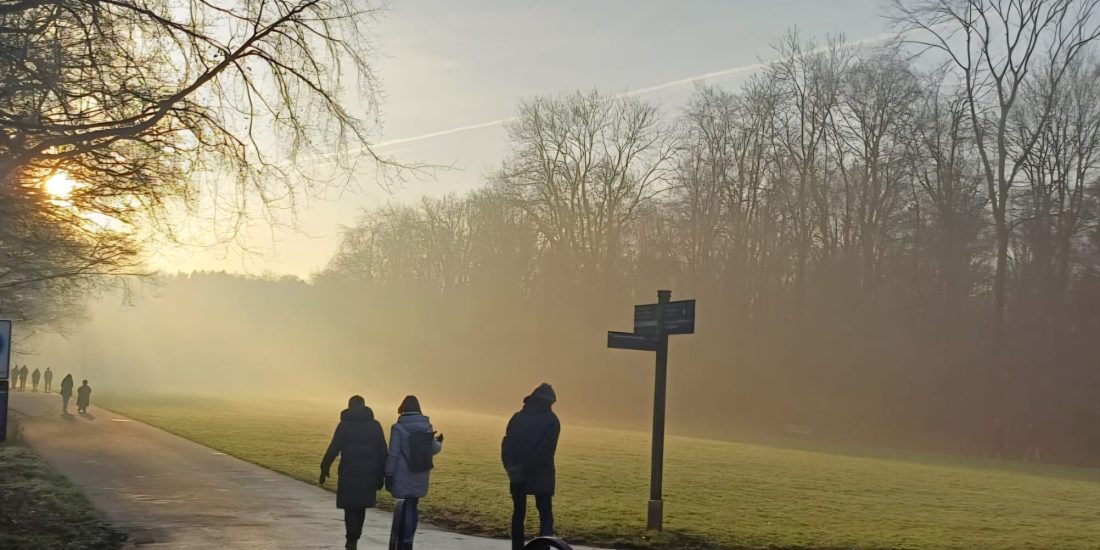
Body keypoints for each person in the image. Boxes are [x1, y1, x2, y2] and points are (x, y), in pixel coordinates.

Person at [320, 395, 388, 550]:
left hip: (348, 472)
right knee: (361, 507)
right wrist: (382, 475)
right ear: (364, 406)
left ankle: (351, 538)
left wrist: (324, 468)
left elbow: (333, 448)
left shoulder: (344, 425)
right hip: (369, 474)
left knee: (350, 507)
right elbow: (383, 451)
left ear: (349, 406)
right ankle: (355, 536)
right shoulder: (375, 426)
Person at [502, 383, 561, 550]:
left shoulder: (518, 417)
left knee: (518, 514)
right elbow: (546, 450)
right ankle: (543, 547)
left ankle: (517, 547)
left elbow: (507, 444)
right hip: (541, 473)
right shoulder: (551, 420)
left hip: (517, 472)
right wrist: (526, 467)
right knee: (545, 515)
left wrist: (512, 468)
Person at [385, 395, 443, 549]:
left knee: (404, 505)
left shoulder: (398, 427)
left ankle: (402, 539)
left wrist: (389, 473)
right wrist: (439, 442)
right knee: (413, 504)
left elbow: (393, 454)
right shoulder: (427, 426)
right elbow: (433, 449)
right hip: (420, 470)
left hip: (403, 472)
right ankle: (408, 539)